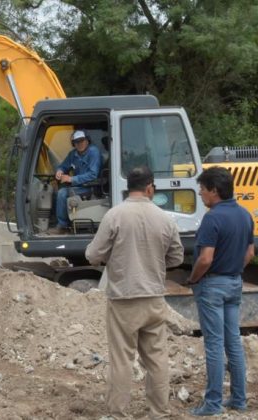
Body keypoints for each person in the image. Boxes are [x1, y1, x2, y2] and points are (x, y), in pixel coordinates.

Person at [86, 167, 184, 419]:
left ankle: (118, 412)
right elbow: (176, 257)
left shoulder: (114, 215)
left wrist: (112, 255)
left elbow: (93, 255)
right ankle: (159, 411)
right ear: (150, 186)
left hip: (123, 299)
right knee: (157, 358)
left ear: (129, 186)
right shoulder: (165, 218)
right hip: (153, 297)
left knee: (121, 359)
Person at [186, 166, 254, 416]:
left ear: (214, 191)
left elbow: (205, 258)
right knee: (233, 342)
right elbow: (250, 253)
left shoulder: (213, 218)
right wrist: (233, 269)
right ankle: (239, 399)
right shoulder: (245, 215)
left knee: (214, 345)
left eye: (202, 189)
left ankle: (212, 404)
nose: (201, 194)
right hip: (234, 282)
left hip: (212, 285)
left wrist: (193, 279)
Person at [48, 129, 103, 234]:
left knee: (62, 193)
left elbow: (93, 174)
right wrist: (60, 171)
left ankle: (62, 226)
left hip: (91, 186)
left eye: (82, 140)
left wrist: (71, 179)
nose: (80, 144)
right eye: (77, 142)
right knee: (55, 193)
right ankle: (64, 222)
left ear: (87, 141)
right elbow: (63, 166)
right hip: (79, 186)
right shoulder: (73, 154)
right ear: (74, 144)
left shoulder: (93, 152)